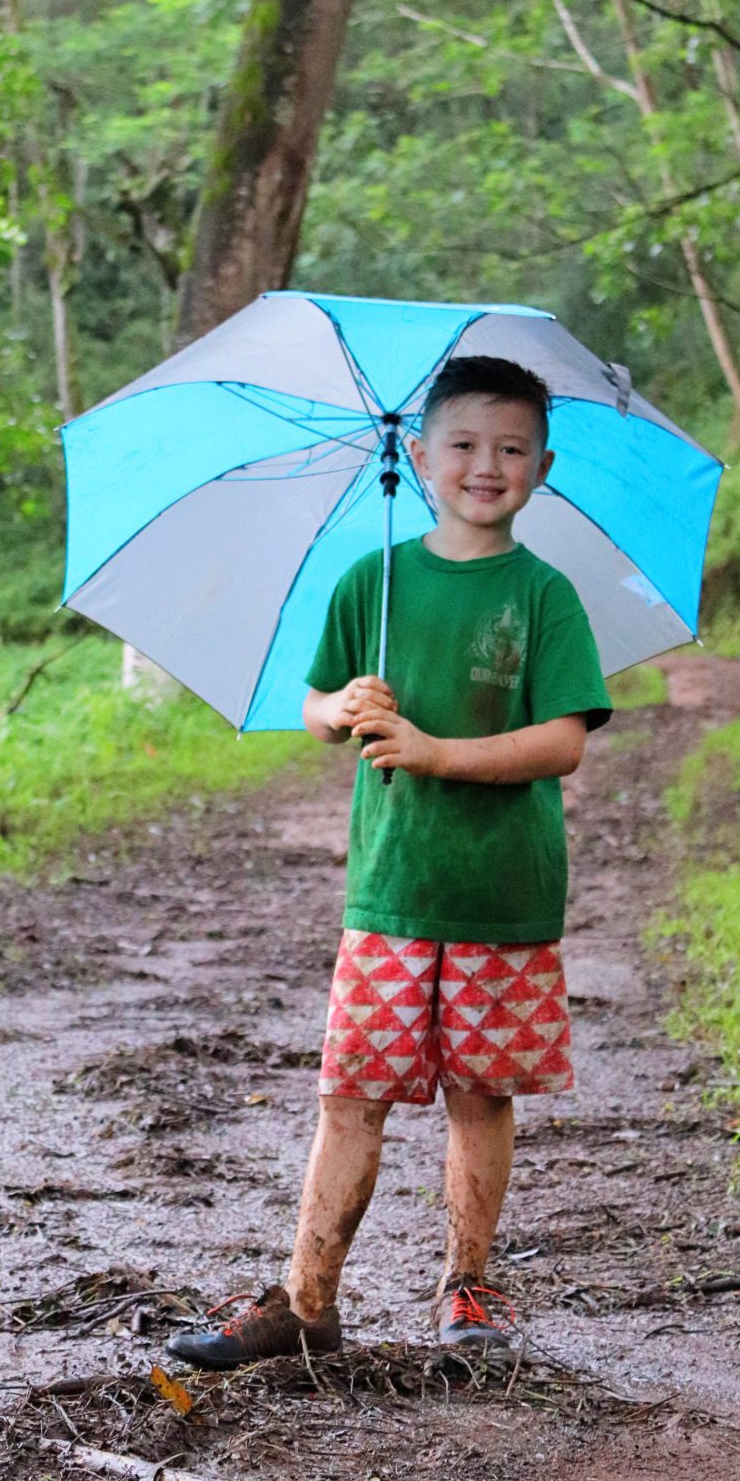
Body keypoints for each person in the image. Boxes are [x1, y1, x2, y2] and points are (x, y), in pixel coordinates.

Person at [167, 355, 611, 1367]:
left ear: (541, 465)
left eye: (509, 447)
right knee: (350, 1091)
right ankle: (306, 1295)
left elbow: (563, 740)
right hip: (390, 889)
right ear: (417, 458)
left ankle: (468, 1284)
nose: (484, 464)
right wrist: (345, 707)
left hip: (503, 890)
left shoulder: (543, 595)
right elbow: (318, 709)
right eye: (461, 443)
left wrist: (437, 750)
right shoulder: (371, 578)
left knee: (479, 1091)